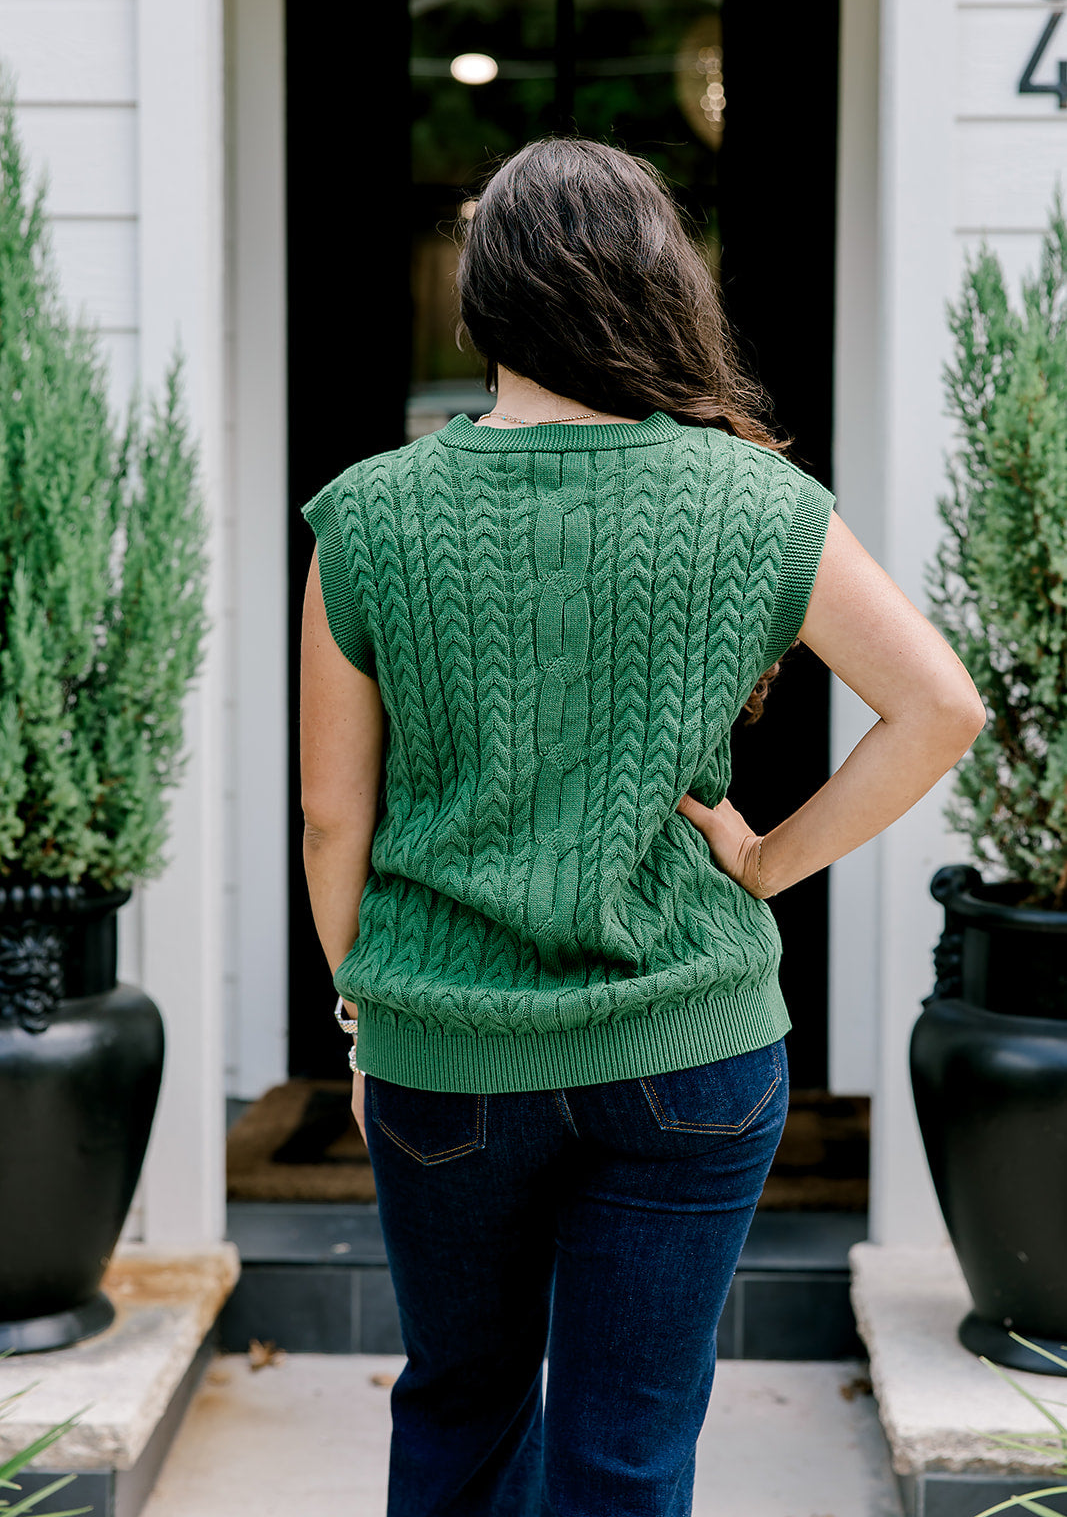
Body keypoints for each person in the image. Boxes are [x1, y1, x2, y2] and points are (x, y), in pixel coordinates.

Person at [298, 137, 986, 1517]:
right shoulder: (758, 502)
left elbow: (332, 818)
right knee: (626, 1448)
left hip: (450, 1052)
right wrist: (765, 859)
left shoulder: (368, 516)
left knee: (458, 1409)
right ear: (655, 286)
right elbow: (940, 709)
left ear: (483, 303)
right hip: (692, 1052)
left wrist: (369, 1025)